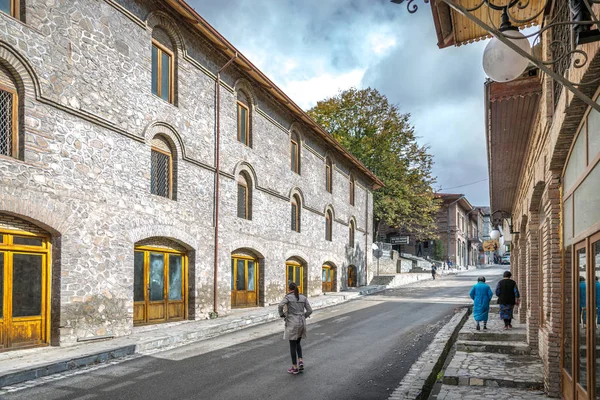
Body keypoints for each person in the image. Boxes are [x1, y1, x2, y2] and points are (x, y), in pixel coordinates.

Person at [279, 282, 313, 375]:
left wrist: (281, 314)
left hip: (292, 322)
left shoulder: (288, 297)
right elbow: (310, 310)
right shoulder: (303, 297)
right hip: (302, 322)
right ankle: (300, 360)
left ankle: (294, 367)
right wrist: (303, 316)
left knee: (292, 345)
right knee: (298, 342)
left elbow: (280, 305)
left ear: (289, 289)